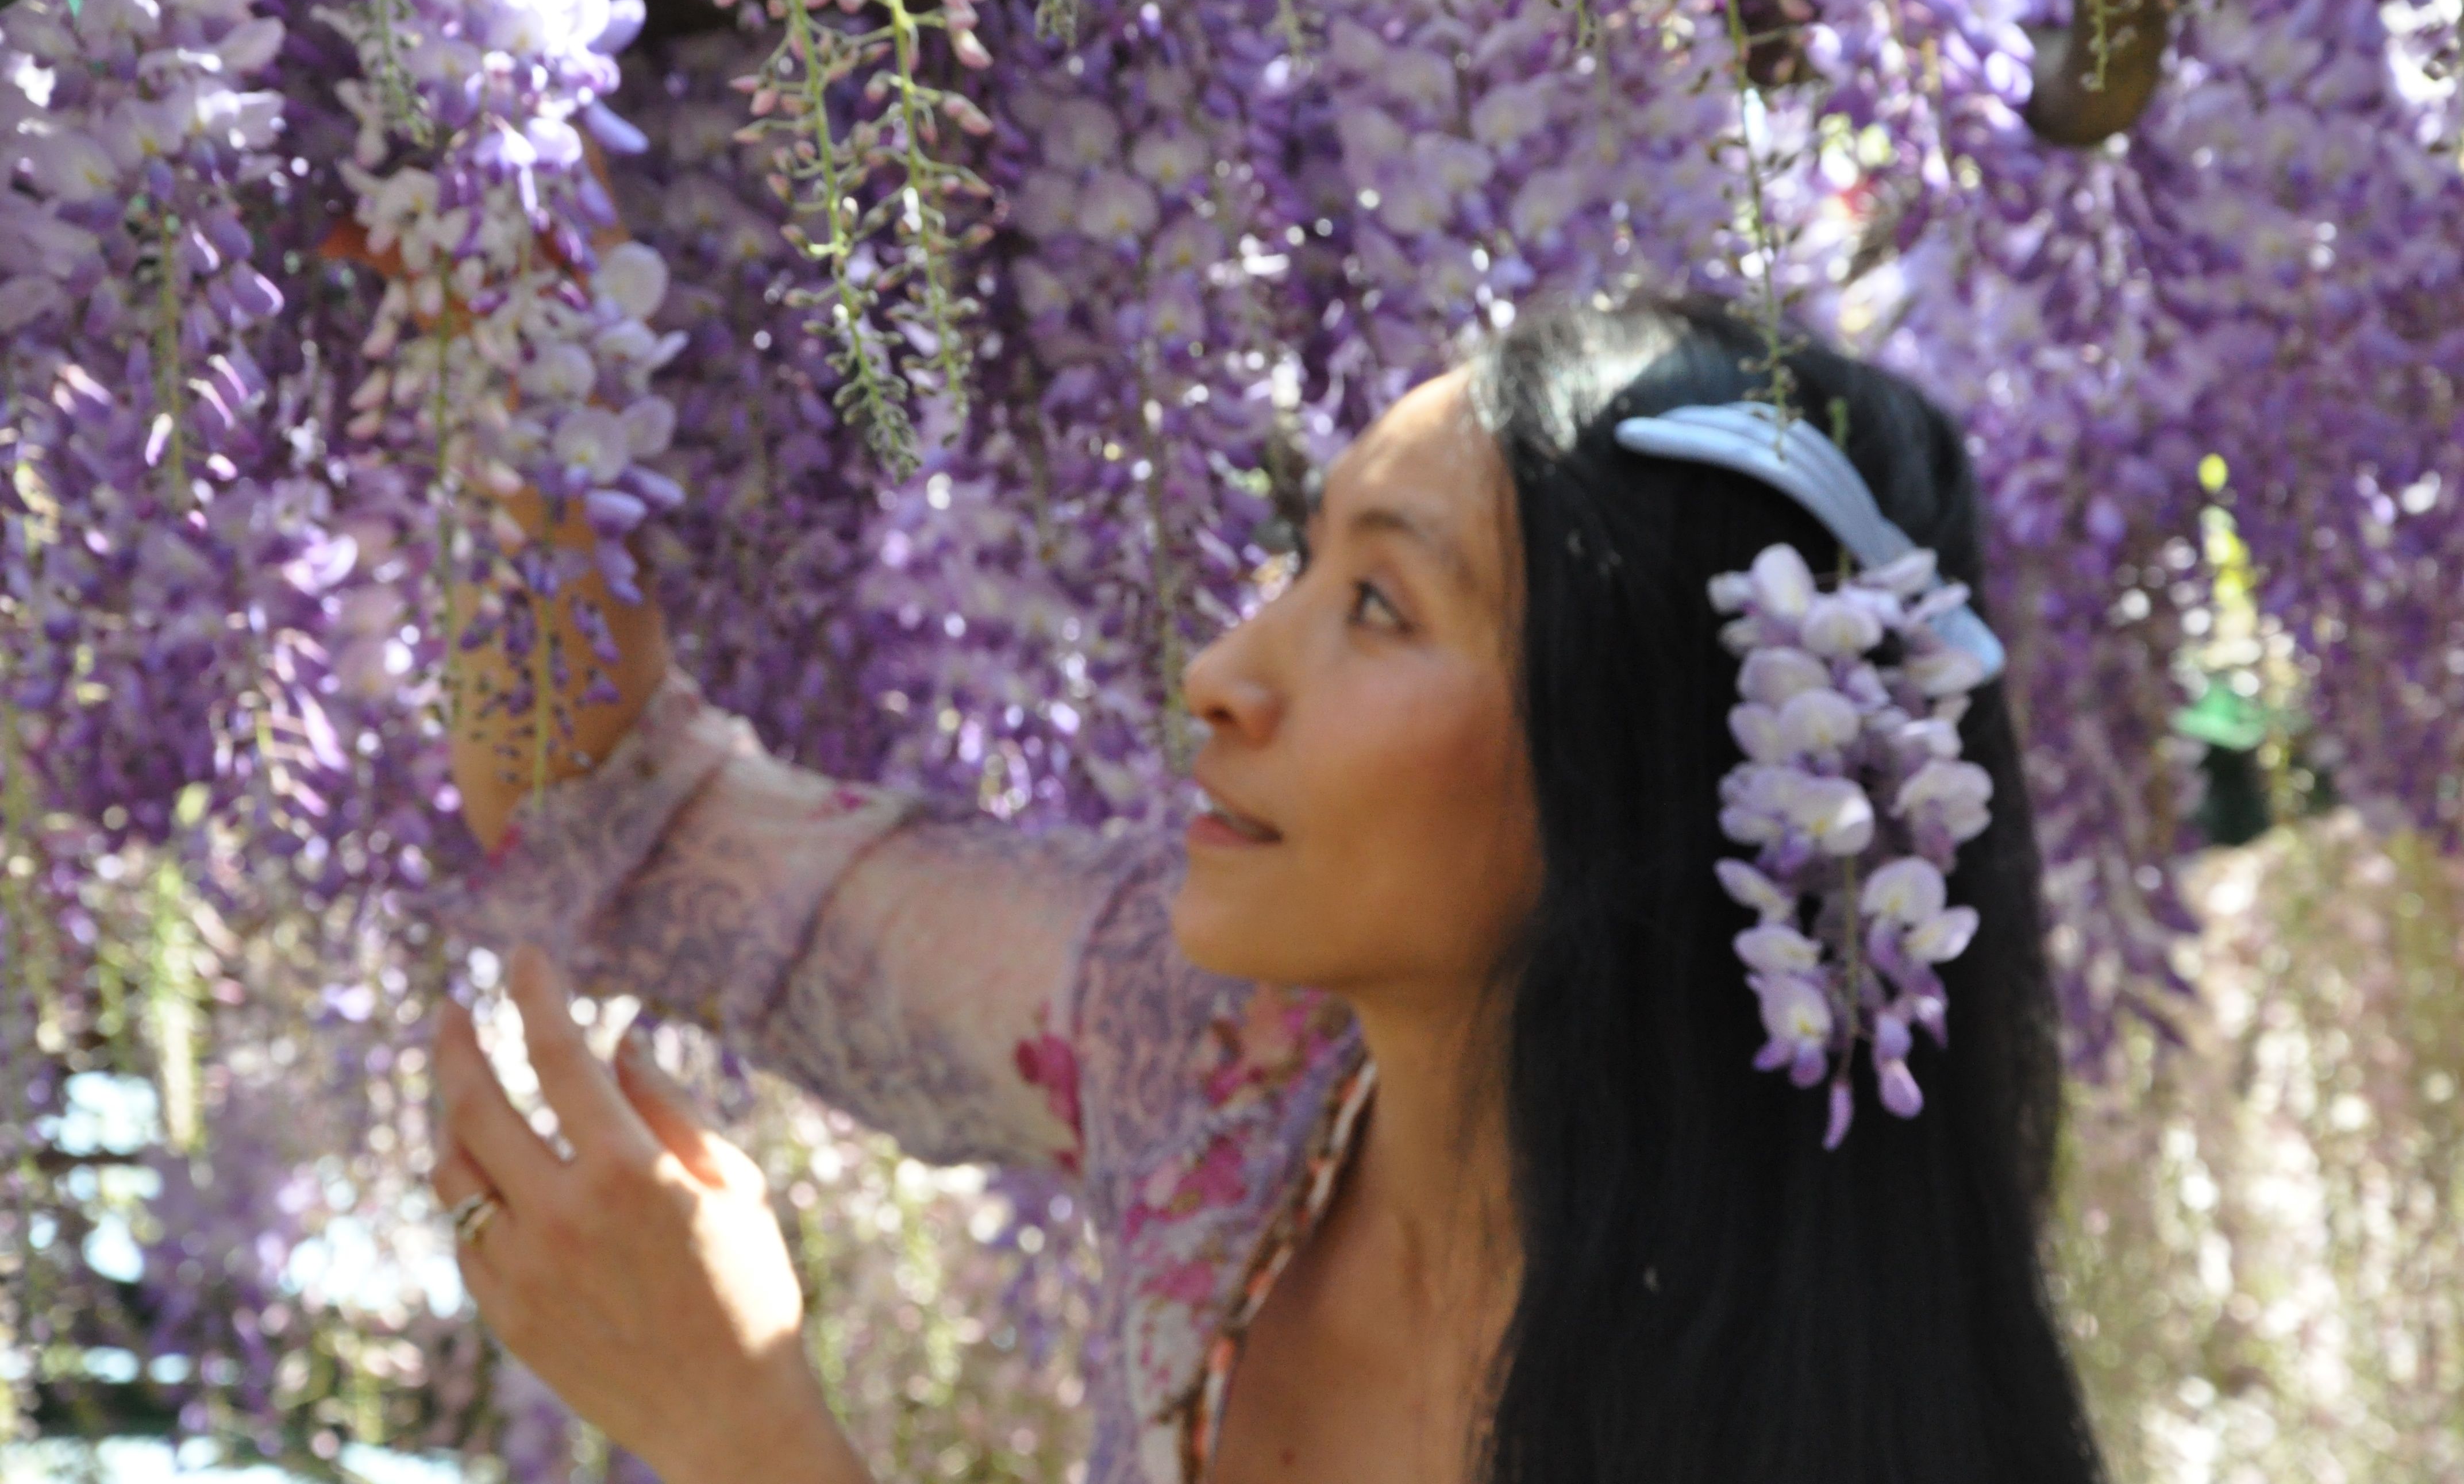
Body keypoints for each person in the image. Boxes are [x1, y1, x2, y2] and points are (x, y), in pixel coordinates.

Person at [425, 298, 2107, 1484]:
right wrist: (515, 270)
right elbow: (618, 810)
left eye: (1380, 605)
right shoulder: (1218, 1060)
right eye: (1304, 564)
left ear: (1631, 769)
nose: (1223, 673)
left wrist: (746, 1438)